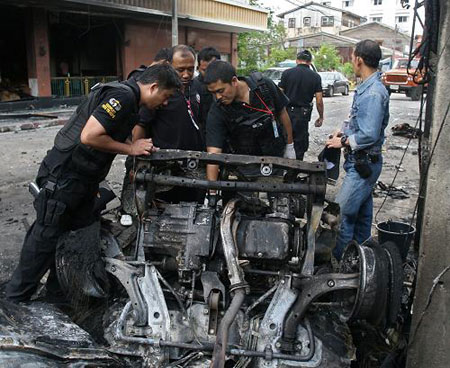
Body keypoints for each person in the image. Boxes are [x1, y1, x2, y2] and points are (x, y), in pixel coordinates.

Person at [6, 64, 182, 302]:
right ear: (153, 87)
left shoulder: (129, 98)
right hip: (65, 177)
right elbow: (90, 136)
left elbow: (112, 130)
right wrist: (131, 148)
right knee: (45, 237)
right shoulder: (122, 96)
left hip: (82, 182)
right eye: (166, 96)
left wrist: (139, 147)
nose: (165, 103)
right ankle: (14, 300)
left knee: (73, 238)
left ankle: (56, 297)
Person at [326, 40, 389, 260]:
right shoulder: (367, 87)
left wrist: (342, 142)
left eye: (352, 57)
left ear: (359, 59)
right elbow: (359, 122)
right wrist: (342, 130)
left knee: (339, 216)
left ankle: (341, 267)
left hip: (364, 165)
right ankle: (362, 263)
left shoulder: (373, 93)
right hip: (362, 163)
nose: (352, 61)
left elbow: (369, 133)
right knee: (361, 218)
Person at [131, 45, 205, 204]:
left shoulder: (198, 87)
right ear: (168, 66)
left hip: (195, 163)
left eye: (191, 69)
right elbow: (141, 126)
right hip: (166, 164)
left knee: (195, 208)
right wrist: (135, 163)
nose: (186, 74)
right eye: (180, 69)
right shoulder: (159, 92)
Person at [204, 60, 295, 184]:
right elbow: (214, 153)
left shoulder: (264, 87)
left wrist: (290, 146)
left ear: (234, 81)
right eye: (213, 93)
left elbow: (282, 113)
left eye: (220, 91)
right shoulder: (218, 110)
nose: (218, 97)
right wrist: (212, 190)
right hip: (243, 170)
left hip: (275, 160)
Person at [279, 50, 324, 160]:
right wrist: (321, 116)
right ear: (310, 62)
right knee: (300, 143)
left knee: (285, 139)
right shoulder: (315, 77)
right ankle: (296, 170)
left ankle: (283, 168)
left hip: (286, 113)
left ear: (297, 60)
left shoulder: (286, 73)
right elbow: (319, 100)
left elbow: (279, 93)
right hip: (303, 115)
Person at [193, 46, 221, 131]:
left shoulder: (228, 83)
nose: (209, 74)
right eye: (205, 70)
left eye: (212, 69)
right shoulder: (193, 86)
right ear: (198, 67)